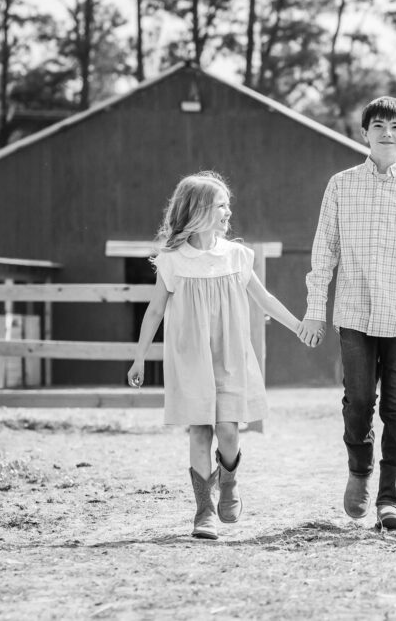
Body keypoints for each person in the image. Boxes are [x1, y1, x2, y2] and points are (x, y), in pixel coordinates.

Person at [297, 96, 396, 531]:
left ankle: (391, 501)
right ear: (365, 133)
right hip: (353, 314)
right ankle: (359, 471)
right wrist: (315, 311)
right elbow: (324, 251)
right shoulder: (341, 184)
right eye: (379, 126)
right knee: (359, 402)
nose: (387, 133)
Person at [127, 171, 304, 540]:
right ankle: (203, 510)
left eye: (227, 205)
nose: (227, 212)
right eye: (221, 205)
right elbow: (155, 310)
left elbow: (264, 299)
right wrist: (139, 356)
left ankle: (230, 480)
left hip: (230, 355)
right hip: (190, 357)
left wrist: (299, 326)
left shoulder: (236, 256)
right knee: (199, 431)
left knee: (227, 429)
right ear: (198, 209)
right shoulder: (173, 259)